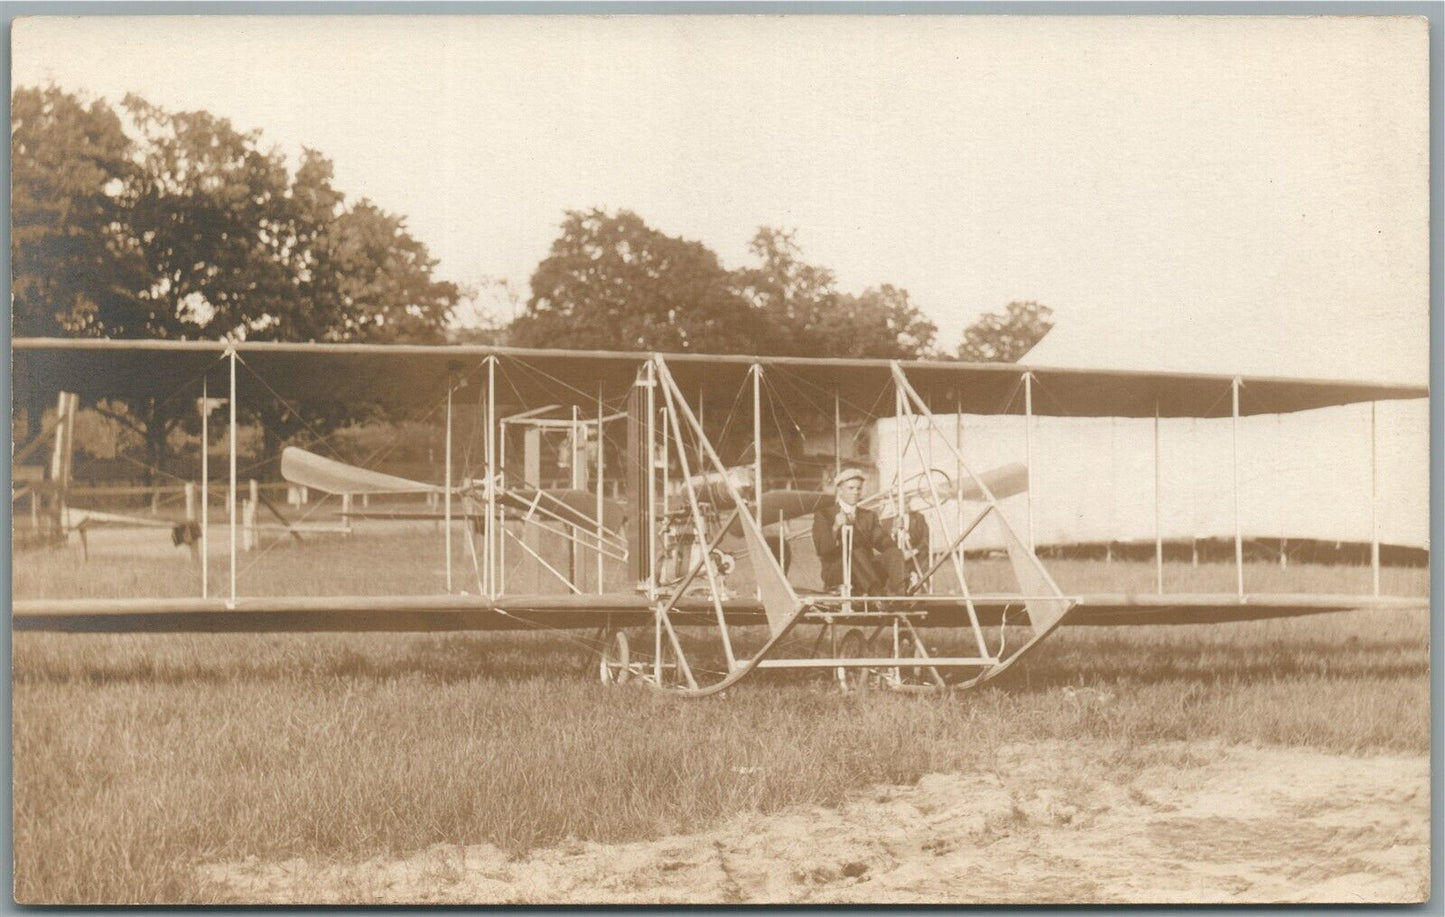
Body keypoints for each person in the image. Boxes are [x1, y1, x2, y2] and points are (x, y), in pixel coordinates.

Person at [812, 467, 910, 595]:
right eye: (851, 488)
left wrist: (894, 533)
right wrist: (835, 527)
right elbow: (822, 549)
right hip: (838, 570)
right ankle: (877, 595)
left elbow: (884, 544)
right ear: (840, 490)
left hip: (867, 569)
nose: (855, 492)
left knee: (894, 553)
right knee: (854, 550)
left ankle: (900, 594)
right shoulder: (825, 514)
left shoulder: (868, 516)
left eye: (858, 488)